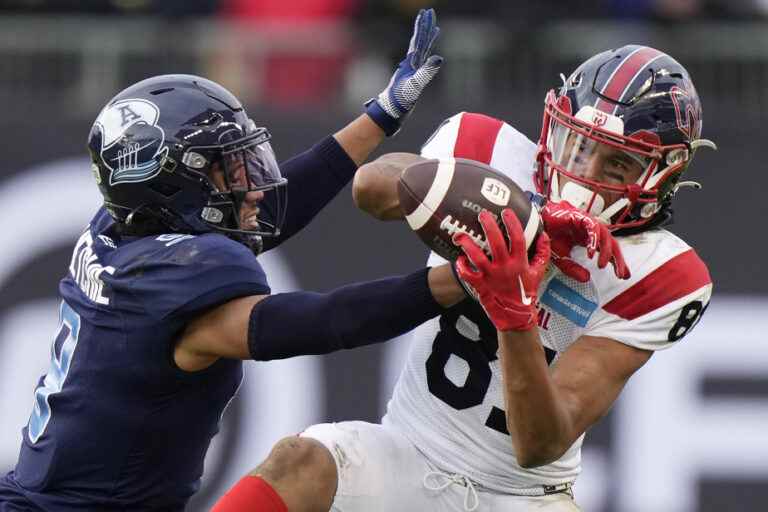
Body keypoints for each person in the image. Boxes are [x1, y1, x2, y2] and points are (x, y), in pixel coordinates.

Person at [211, 45, 715, 512]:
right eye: (578, 146)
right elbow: (372, 188)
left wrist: (514, 312)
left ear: (661, 176)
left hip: (522, 496)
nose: (584, 171)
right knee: (299, 461)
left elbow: (538, 444)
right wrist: (521, 216)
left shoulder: (659, 271)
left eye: (617, 163)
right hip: (407, 452)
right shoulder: (493, 154)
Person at [0, 10, 462, 512]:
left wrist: (380, 116)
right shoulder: (179, 287)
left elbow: (268, 211)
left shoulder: (119, 228)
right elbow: (322, 321)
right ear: (175, 182)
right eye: (227, 170)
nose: (252, 186)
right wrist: (457, 279)